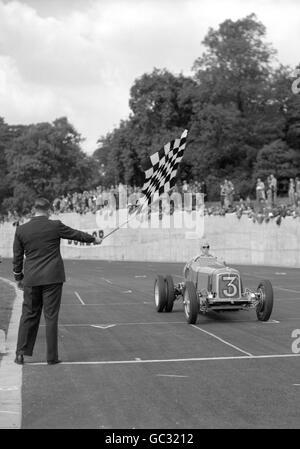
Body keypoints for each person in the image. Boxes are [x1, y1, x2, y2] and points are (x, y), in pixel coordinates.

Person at [13, 197, 102, 366]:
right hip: (53, 277)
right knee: (51, 317)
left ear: (34, 209)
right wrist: (93, 239)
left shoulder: (21, 230)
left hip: (31, 278)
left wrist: (18, 277)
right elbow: (76, 234)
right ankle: (52, 357)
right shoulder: (55, 225)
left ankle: (20, 354)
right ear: (49, 210)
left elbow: (17, 258)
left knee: (28, 315)